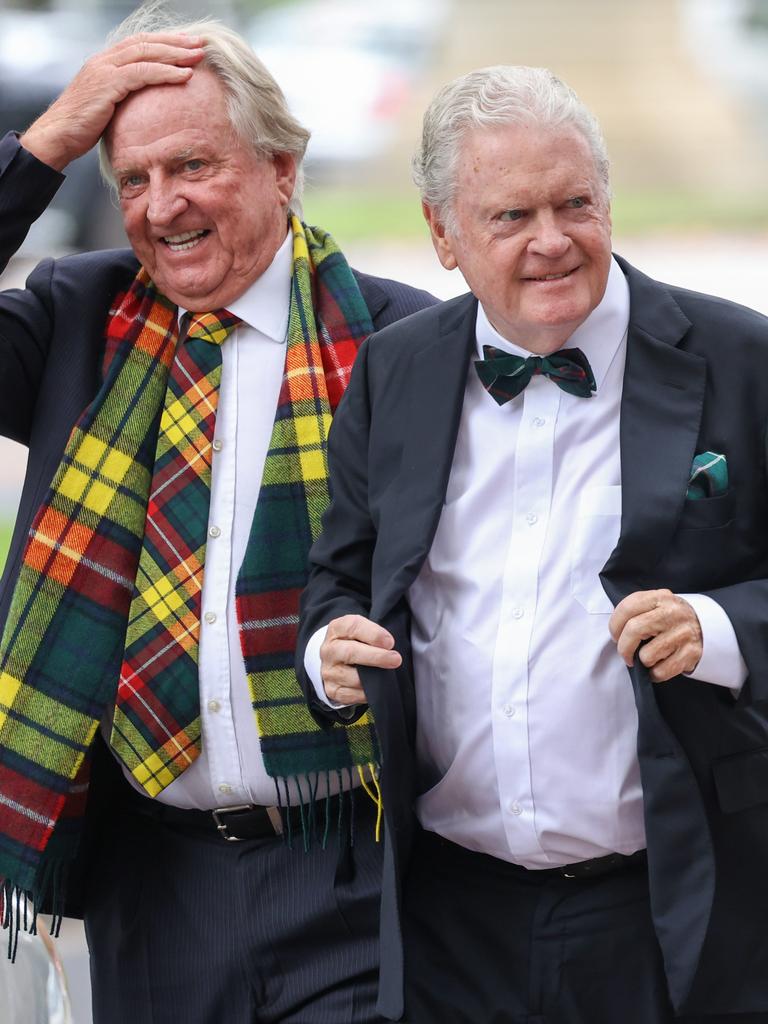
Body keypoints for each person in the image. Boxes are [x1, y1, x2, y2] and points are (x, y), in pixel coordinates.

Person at [298, 65, 768, 1024]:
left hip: (672, 909)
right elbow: (338, 581)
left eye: (575, 205)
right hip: (445, 919)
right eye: (511, 216)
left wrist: (716, 629)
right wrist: (327, 651)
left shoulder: (741, 360)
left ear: (608, 201)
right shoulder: (395, 372)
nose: (553, 241)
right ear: (443, 236)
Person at [0, 7, 436, 1023]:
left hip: (352, 866)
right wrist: (46, 145)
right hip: (153, 887)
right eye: (133, 178)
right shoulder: (76, 320)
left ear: (283, 168)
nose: (162, 205)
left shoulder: (403, 342)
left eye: (192, 165)